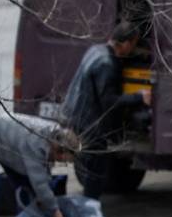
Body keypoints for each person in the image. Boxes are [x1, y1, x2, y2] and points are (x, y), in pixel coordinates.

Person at [62, 20, 147, 198]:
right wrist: (139, 97)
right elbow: (109, 101)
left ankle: (90, 214)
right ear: (125, 43)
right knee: (96, 176)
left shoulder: (95, 50)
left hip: (76, 118)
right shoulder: (107, 64)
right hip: (90, 125)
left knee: (91, 173)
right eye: (133, 44)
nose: (133, 49)